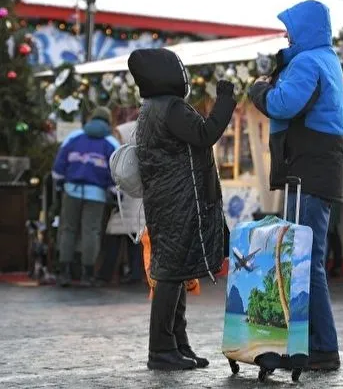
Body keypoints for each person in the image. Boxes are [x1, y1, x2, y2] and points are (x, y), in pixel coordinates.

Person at [248, 0, 343, 371]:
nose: (285, 34)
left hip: (308, 170)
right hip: (315, 168)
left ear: (304, 28)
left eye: (289, 28)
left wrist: (258, 91)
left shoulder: (308, 62)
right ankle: (312, 344)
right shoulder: (325, 59)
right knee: (305, 259)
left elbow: (284, 104)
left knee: (305, 261)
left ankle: (322, 347)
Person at [128, 48, 236, 371]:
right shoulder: (171, 107)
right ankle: (162, 350)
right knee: (171, 274)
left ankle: (178, 344)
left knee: (175, 272)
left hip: (165, 201)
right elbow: (205, 134)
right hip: (178, 202)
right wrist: (226, 99)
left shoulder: (150, 108)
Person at [52, 106, 119, 287]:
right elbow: (117, 171)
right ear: (108, 121)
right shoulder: (111, 142)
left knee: (68, 229)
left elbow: (59, 163)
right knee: (91, 232)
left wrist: (59, 182)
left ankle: (64, 272)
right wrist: (114, 193)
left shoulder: (74, 137)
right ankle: (87, 275)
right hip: (96, 194)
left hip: (71, 190)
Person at [97, 120, 145, 285]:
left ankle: (106, 274)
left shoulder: (124, 155)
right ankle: (135, 273)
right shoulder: (139, 153)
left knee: (114, 238)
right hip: (135, 203)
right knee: (134, 240)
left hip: (124, 201)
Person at [326, 202, 343, 277]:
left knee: (329, 237)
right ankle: (337, 266)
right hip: (334, 202)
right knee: (333, 237)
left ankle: (334, 266)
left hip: (329, 204)